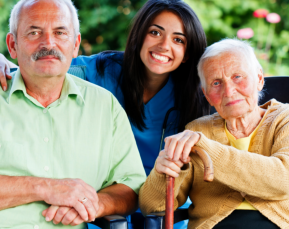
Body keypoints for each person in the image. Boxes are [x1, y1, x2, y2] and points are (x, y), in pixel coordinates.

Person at [0, 0, 209, 227]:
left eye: (178, 40)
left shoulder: (199, 95)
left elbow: (239, 102)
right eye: (155, 32)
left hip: (164, 204)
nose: (164, 45)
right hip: (105, 208)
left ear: (188, 52)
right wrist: (3, 61)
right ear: (139, 35)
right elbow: (48, 61)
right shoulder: (102, 71)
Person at [0, 0, 146, 228]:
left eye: (60, 32)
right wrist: (47, 188)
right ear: (12, 45)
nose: (48, 43)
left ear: (76, 44)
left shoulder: (104, 105)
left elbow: (131, 185)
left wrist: (94, 204)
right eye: (34, 32)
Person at [139, 39, 289, 229]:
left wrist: (206, 148)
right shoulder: (196, 131)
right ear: (207, 95)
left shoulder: (284, 119)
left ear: (259, 79)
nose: (229, 91)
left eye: (238, 77)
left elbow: (283, 181)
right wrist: (161, 174)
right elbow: (152, 208)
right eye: (216, 83)